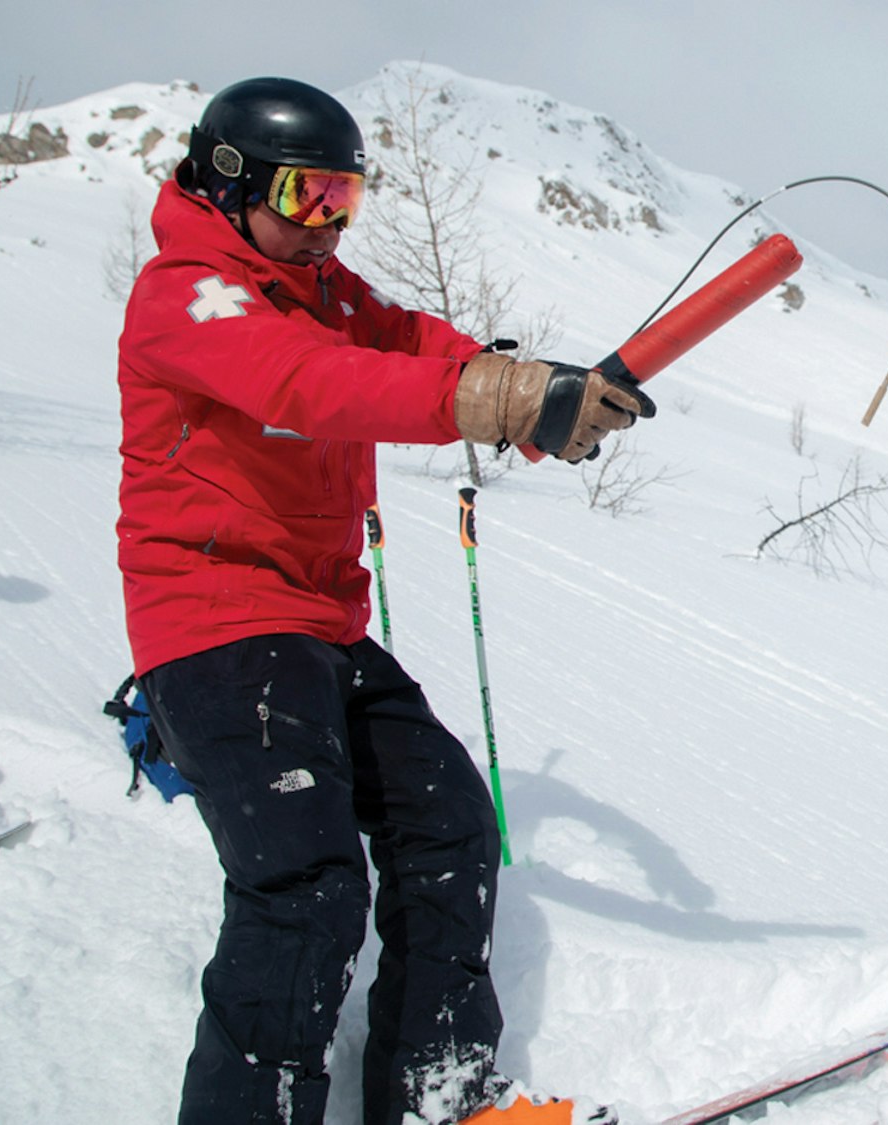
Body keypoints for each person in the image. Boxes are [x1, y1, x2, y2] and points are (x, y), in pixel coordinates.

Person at [116, 76, 646, 1125]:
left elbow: (418, 350)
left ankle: (432, 1096)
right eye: (308, 199)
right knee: (307, 887)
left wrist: (534, 389)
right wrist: (491, 403)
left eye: (345, 201)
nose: (328, 227)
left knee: (447, 825)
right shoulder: (193, 294)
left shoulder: (330, 293)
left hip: (320, 625)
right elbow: (309, 385)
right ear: (231, 184)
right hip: (217, 625)